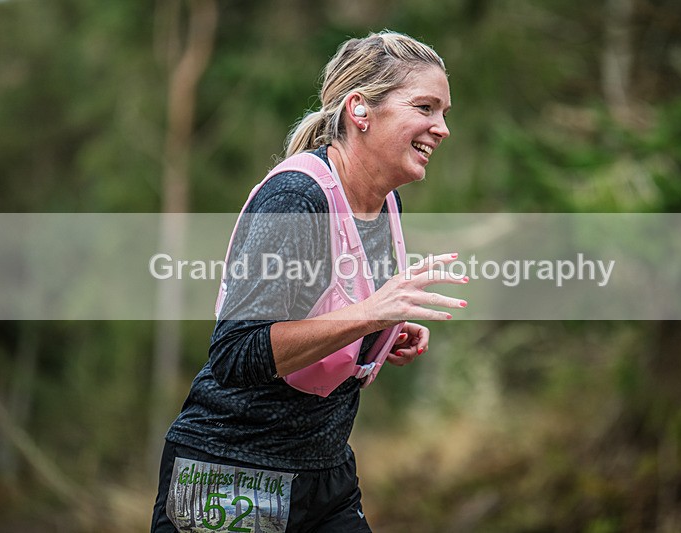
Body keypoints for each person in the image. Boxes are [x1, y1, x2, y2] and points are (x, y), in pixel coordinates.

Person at [151, 30, 465, 532]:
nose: (442, 128)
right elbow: (235, 353)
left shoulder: (386, 203)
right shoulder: (297, 200)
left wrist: (379, 334)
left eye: (445, 112)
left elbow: (327, 314)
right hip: (232, 475)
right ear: (361, 110)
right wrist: (370, 314)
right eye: (426, 108)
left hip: (325, 475)